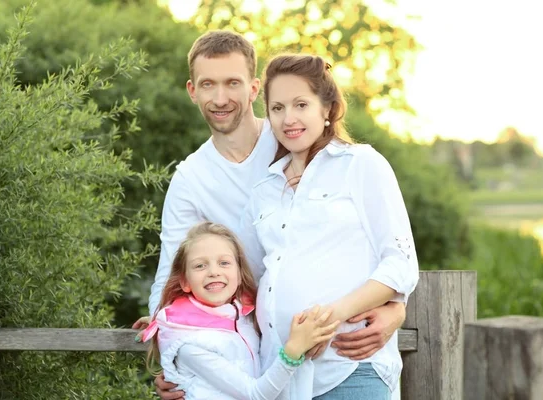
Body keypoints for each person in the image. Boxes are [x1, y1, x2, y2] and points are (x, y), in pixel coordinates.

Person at [134, 30, 410, 400]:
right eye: (208, 84)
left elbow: (393, 255)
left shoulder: (337, 156)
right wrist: (175, 358)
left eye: (232, 83)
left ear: (252, 89)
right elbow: (181, 274)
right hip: (274, 370)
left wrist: (396, 306)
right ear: (192, 90)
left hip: (344, 362)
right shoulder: (244, 185)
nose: (220, 98)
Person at [237, 54, 419, 399]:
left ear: (327, 109)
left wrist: (328, 320)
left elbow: (400, 263)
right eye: (277, 108)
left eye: (301, 104)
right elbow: (246, 280)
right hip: (280, 376)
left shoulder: (361, 164)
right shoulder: (264, 190)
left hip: (348, 368)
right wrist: (179, 329)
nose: (288, 118)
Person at [142, 222, 340, 400]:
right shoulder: (189, 343)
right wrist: (294, 350)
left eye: (224, 263)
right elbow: (255, 395)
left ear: (238, 272)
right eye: (200, 265)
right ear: (185, 282)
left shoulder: (242, 315)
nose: (213, 271)